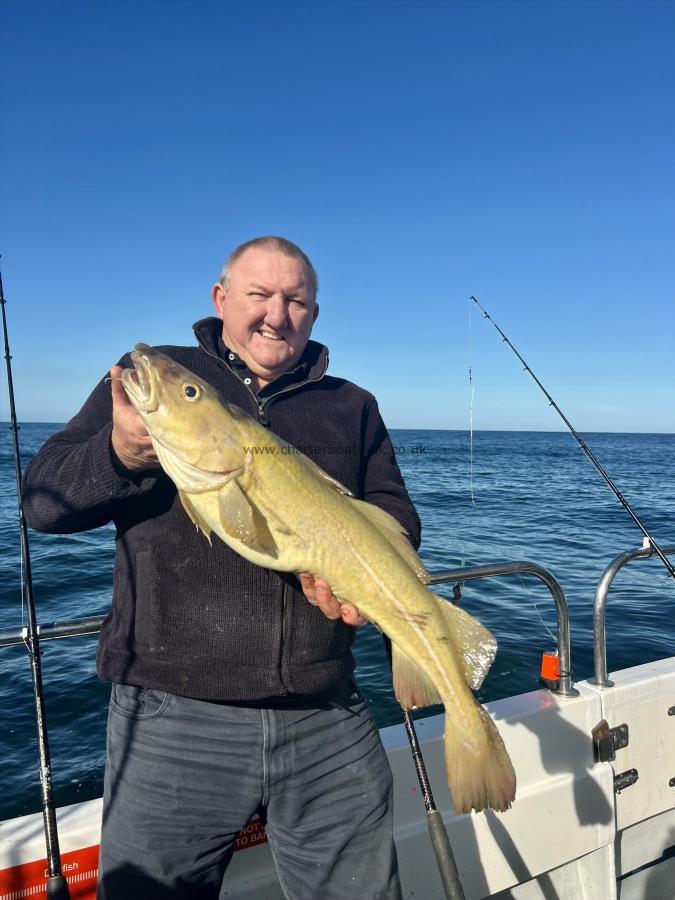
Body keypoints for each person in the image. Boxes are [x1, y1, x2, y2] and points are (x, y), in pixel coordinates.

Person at [22, 236, 421, 899]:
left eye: (295, 300)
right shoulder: (146, 376)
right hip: (173, 718)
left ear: (314, 313)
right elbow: (42, 501)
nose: (276, 314)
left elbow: (393, 512)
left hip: (327, 714)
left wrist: (360, 570)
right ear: (220, 299)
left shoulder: (353, 405)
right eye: (258, 295)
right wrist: (122, 451)